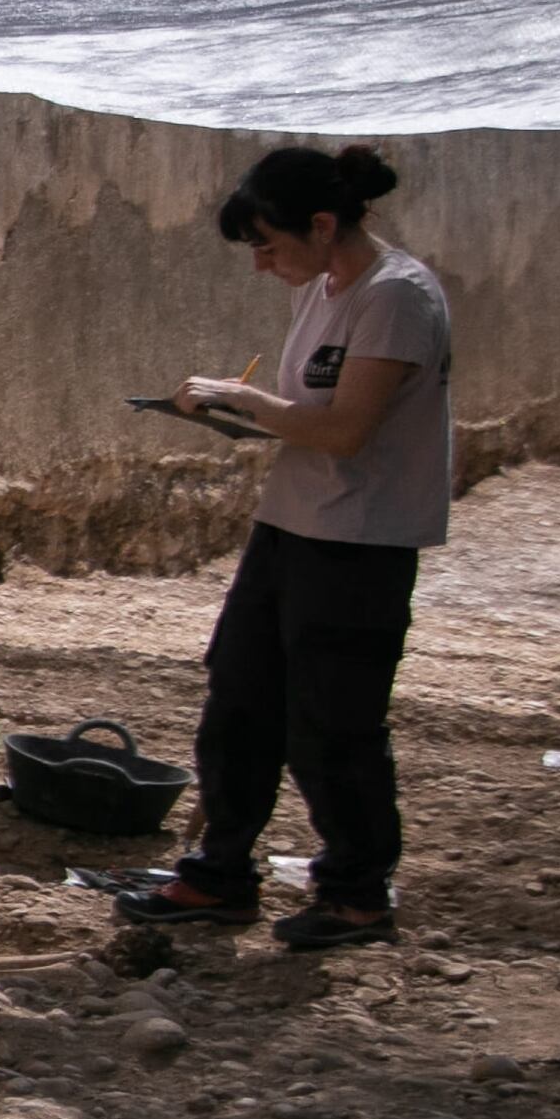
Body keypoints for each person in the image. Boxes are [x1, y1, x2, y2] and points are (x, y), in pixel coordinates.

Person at [114, 143, 452, 953]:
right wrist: (245, 411)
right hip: (293, 524)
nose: (262, 264)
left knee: (333, 721)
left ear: (324, 223)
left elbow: (343, 428)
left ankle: (356, 892)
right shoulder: (326, 288)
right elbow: (306, 415)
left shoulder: (397, 297)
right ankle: (220, 872)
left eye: (269, 244)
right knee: (240, 695)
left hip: (361, 539)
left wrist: (244, 398)